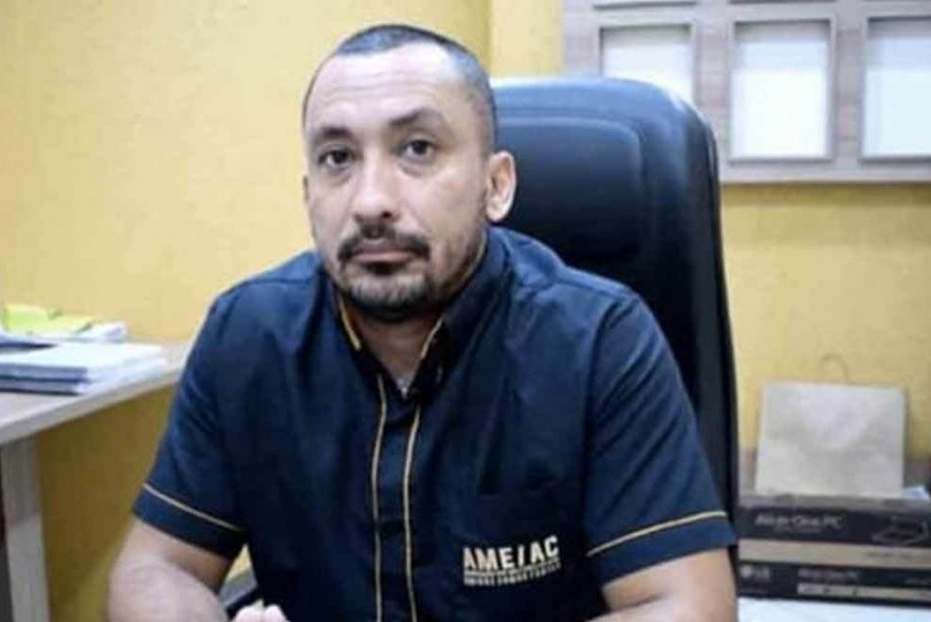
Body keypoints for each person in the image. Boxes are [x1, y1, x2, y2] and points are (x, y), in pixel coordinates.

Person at [108, 23, 737, 622]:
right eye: (337, 158)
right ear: (308, 195)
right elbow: (156, 567)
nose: (370, 201)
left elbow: (687, 605)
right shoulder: (247, 336)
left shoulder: (600, 341)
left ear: (496, 185)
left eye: (417, 149)